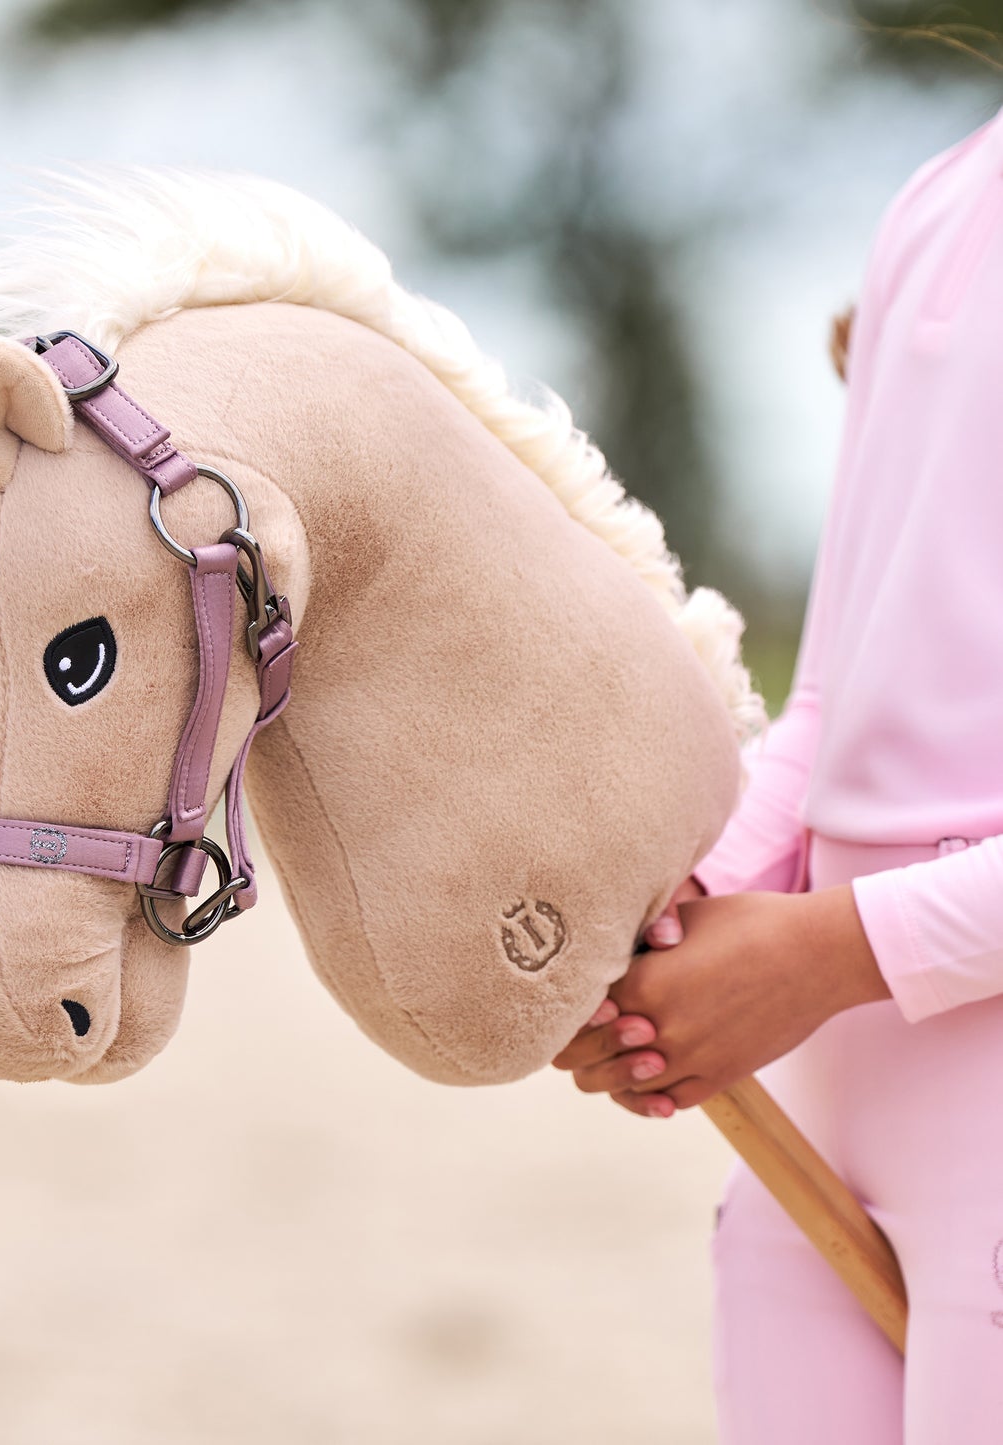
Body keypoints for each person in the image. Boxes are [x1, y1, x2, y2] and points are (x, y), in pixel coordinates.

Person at [552, 100, 1003, 1444]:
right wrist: (684, 898)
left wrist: (828, 952)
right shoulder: (937, 199)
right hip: (824, 1135)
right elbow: (833, 689)